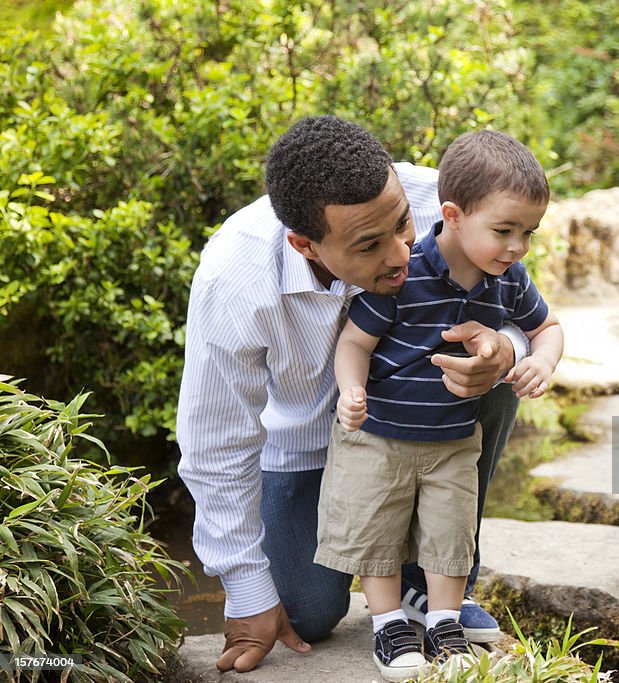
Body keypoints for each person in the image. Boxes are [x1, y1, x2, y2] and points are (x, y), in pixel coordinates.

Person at [176, 116, 531, 673]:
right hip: (303, 452)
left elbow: (524, 309)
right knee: (308, 613)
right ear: (305, 245)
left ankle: (426, 581)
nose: (399, 254)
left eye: (402, 225)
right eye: (369, 244)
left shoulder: (445, 200)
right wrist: (245, 588)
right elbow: (215, 441)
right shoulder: (235, 277)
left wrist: (507, 349)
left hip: (423, 427)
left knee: (493, 370)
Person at [315, 130, 563, 681]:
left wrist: (541, 361)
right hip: (380, 434)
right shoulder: (405, 274)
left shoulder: (508, 281)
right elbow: (355, 343)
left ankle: (445, 623)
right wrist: (351, 388)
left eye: (529, 233)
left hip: (453, 439)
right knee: (377, 527)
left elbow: (546, 326)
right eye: (504, 231)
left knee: (451, 532)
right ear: (452, 214)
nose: (518, 247)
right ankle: (388, 625)